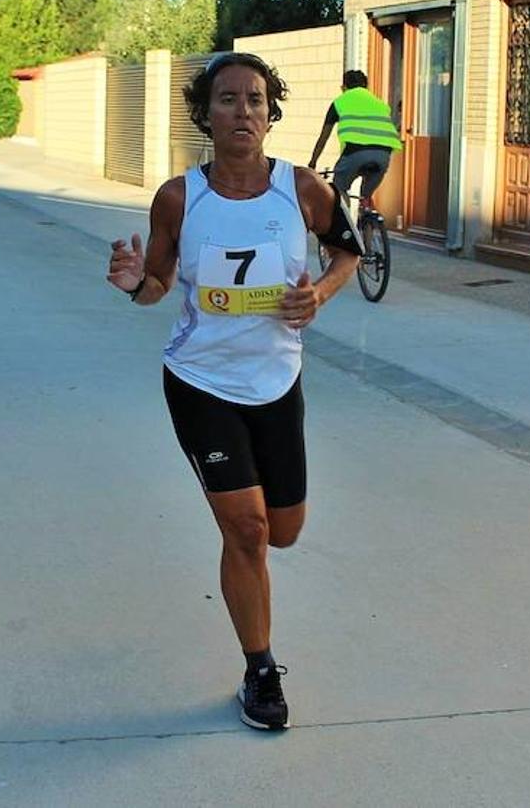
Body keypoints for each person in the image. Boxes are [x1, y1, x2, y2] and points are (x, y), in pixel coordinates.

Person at [105, 53, 362, 731]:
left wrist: (320, 294)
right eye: (228, 100)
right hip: (200, 381)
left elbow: (348, 253)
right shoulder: (179, 198)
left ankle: (256, 602)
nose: (243, 112)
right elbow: (156, 286)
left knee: (284, 530)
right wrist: (136, 281)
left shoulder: (301, 189)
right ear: (206, 114)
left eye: (255, 100)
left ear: (270, 114)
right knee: (246, 531)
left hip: (277, 381)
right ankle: (259, 671)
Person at [308, 70, 403, 212]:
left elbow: (324, 137)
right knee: (366, 196)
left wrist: (313, 161)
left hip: (355, 152)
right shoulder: (379, 103)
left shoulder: (340, 102)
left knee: (340, 188)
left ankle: (348, 224)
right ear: (366, 86)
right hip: (383, 154)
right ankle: (368, 222)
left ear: (344, 87)